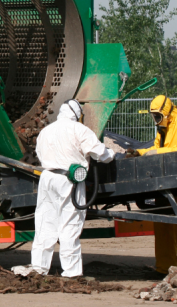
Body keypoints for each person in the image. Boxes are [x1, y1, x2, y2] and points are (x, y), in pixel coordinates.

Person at [30, 99, 115, 277]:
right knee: (70, 224)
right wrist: (112, 153)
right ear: (77, 115)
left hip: (47, 178)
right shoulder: (79, 129)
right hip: (68, 179)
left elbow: (39, 154)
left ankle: (39, 269)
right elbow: (100, 154)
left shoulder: (46, 131)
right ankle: (71, 273)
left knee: (45, 224)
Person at [133, 95, 177, 274]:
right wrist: (139, 152)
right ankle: (164, 268)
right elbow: (156, 149)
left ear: (166, 112)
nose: (155, 120)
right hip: (165, 184)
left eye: (157, 116)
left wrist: (157, 152)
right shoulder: (162, 129)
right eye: (153, 116)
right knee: (163, 227)